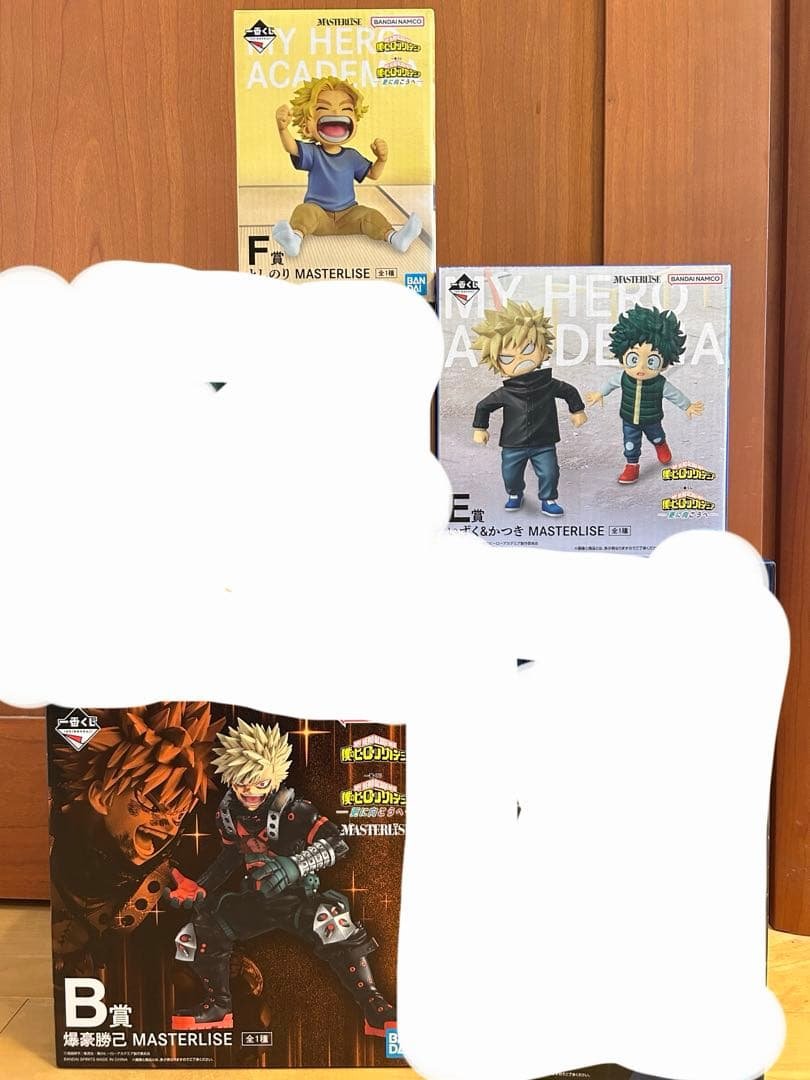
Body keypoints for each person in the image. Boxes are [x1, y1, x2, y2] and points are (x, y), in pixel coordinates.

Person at [166, 718, 395, 1037]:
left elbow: (337, 842)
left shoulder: (295, 811)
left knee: (333, 921)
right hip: (257, 900)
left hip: (299, 899)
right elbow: (230, 856)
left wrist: (295, 866)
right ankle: (218, 1006)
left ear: (274, 776)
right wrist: (201, 885)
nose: (250, 792)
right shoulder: (227, 814)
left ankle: (373, 1006)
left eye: (259, 783)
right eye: (242, 782)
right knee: (199, 930)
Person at [271, 77, 421, 257]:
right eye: (323, 108)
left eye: (346, 109)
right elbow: (292, 148)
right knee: (304, 211)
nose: (336, 112)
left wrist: (382, 159)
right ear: (307, 127)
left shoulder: (352, 156)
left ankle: (395, 238)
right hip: (319, 216)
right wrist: (282, 129)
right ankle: (294, 239)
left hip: (349, 215)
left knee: (370, 215)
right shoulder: (313, 153)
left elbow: (373, 174)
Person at [472, 299, 587, 516]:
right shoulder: (505, 392)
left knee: (550, 473)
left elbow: (569, 391)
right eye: (507, 357)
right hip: (513, 444)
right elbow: (483, 406)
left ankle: (549, 499)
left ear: (543, 351)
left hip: (544, 441)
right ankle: (515, 494)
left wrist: (577, 410)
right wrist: (480, 428)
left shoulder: (549, 384)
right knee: (510, 474)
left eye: (528, 348)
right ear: (498, 364)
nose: (520, 358)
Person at [586, 304, 704, 484]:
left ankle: (660, 444)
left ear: (664, 364)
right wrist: (599, 394)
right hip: (629, 419)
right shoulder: (623, 377)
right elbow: (610, 384)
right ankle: (632, 465)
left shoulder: (659, 383)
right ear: (621, 358)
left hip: (652, 419)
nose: (641, 367)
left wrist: (687, 405)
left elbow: (674, 394)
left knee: (656, 435)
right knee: (630, 443)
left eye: (651, 361)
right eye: (633, 359)